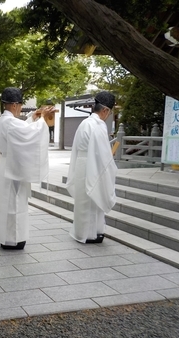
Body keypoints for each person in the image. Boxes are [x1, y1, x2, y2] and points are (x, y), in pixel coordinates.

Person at [0, 87, 56, 250]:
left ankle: (9, 236)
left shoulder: (3, 120)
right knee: (13, 202)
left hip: (8, 164)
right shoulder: (8, 121)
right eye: (20, 105)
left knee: (10, 202)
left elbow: (22, 129)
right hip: (12, 167)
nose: (20, 108)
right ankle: (13, 238)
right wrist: (41, 120)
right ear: (14, 105)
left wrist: (34, 118)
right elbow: (28, 133)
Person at [66, 91, 118, 244]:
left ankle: (82, 231)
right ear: (105, 110)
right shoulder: (98, 125)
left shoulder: (85, 123)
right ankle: (93, 232)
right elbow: (102, 152)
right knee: (94, 198)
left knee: (84, 200)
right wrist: (110, 160)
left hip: (82, 163)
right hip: (93, 164)